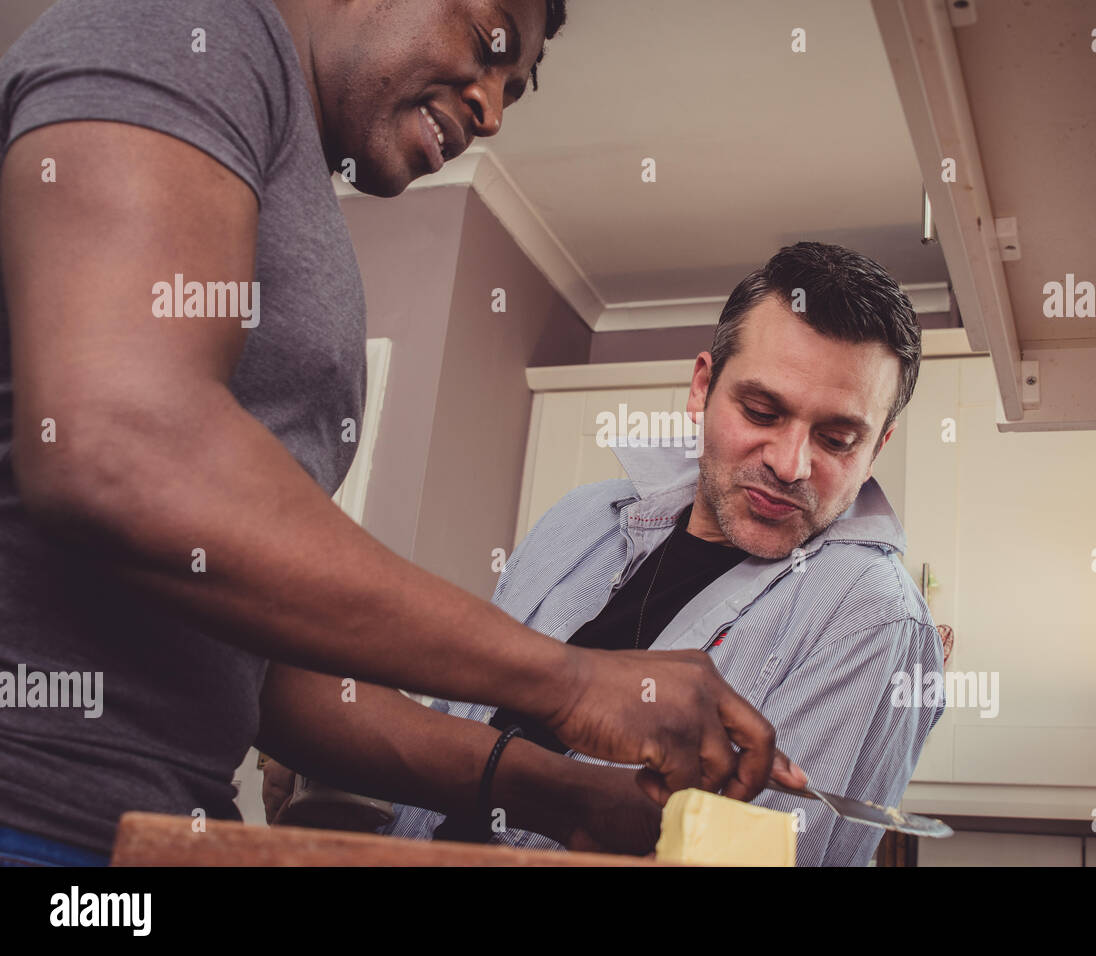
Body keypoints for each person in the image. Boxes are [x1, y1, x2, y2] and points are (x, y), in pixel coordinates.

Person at [0, 0, 801, 866]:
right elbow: (121, 446)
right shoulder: (189, 26)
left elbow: (269, 668)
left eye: (514, 89)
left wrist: (555, 790)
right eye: (491, 44)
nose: (492, 111)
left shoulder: (282, 170)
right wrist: (566, 680)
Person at [376, 243, 948, 865]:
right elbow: (459, 711)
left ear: (876, 449)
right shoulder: (584, 514)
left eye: (837, 439)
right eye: (761, 411)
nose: (789, 465)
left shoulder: (874, 616)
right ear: (703, 387)